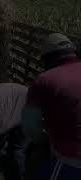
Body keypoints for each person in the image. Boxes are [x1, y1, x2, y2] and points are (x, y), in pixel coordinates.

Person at [22, 33, 81, 180]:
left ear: (47, 57)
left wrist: (46, 140)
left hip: (70, 160)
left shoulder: (44, 80)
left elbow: (31, 128)